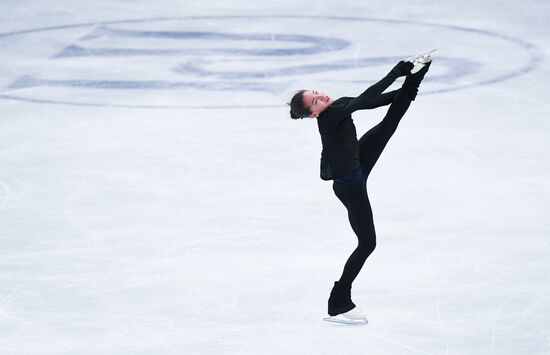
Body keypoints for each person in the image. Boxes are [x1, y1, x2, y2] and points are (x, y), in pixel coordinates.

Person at [287, 55, 432, 324]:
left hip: (357, 163)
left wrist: (415, 78)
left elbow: (377, 101)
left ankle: (419, 73)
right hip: (349, 185)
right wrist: (397, 72)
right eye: (315, 101)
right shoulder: (329, 118)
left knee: (390, 123)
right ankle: (338, 302)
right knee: (367, 243)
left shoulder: (339, 104)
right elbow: (365, 99)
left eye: (317, 93)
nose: (321, 96)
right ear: (314, 113)